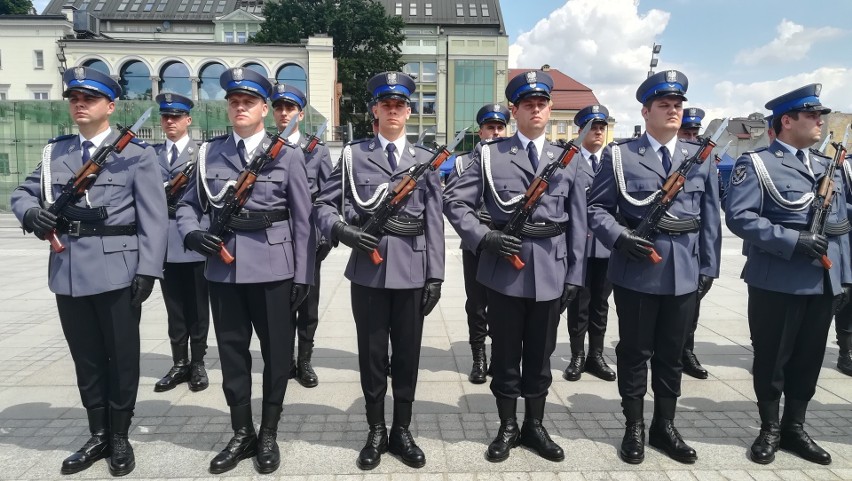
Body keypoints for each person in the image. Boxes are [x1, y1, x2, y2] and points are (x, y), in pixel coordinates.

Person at [11, 66, 168, 476]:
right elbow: (23, 193)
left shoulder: (136, 154)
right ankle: (97, 433)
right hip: (67, 270)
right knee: (87, 359)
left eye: (90, 98)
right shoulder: (55, 153)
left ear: (110, 106)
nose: (80, 104)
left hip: (118, 270)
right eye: (74, 97)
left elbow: (155, 217)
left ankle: (119, 436)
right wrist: (32, 215)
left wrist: (149, 270)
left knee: (122, 357)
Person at [175, 67, 314, 475]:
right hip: (224, 270)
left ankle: (268, 431)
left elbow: (303, 220)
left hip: (274, 270)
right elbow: (187, 205)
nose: (240, 107)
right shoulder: (207, 154)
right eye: (234, 101)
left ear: (265, 108)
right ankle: (241, 431)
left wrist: (303, 276)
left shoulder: (286, 155)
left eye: (249, 101)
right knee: (233, 356)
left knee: (275, 356)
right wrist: (192, 234)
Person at [443, 70, 585, 463]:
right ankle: (507, 426)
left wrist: (575, 274)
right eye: (527, 104)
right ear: (515, 110)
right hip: (505, 270)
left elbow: (578, 220)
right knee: (505, 354)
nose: (535, 109)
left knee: (540, 355)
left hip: (552, 272)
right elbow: (455, 202)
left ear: (550, 108)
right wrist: (484, 237)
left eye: (541, 103)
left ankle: (535, 426)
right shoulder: (489, 154)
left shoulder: (566, 158)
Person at [587, 70, 721, 465]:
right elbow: (596, 209)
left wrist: (709, 267)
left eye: (677, 104)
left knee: (671, 354)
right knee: (634, 352)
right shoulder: (621, 155)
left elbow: (710, 215)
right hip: (637, 271)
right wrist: (619, 237)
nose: (673, 110)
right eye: (664, 104)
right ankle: (634, 427)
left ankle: (665, 426)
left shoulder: (699, 158)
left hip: (684, 272)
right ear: (646, 111)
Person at [314, 71, 444, 470]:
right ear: (375, 110)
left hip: (411, 269)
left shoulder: (424, 160)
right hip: (367, 274)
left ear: (408, 112)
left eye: (399, 105)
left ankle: (402, 430)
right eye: (385, 104)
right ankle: (375, 429)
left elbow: (435, 220)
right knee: (372, 356)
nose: (393, 110)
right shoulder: (353, 155)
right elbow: (323, 204)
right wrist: (343, 231)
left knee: (406, 356)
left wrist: (435, 274)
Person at [725, 84, 851, 466]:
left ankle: (795, 426)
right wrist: (790, 241)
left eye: (820, 115)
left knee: (809, 358)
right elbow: (740, 217)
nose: (820, 121)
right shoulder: (758, 163)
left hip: (823, 281)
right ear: (787, 120)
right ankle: (770, 429)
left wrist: (845, 277)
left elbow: (842, 225)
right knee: (772, 357)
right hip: (777, 279)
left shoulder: (829, 166)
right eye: (812, 115)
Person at [270, 82, 333, 388]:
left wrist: (326, 236)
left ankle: (305, 359)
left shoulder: (317, 151)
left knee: (308, 302)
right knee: (279, 303)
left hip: (308, 239)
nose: (284, 113)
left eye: (290, 108)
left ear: (300, 113)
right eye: (279, 108)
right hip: (275, 239)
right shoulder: (265, 150)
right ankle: (285, 360)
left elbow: (329, 197)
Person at [445, 103, 510, 384]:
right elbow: (456, 203)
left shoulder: (509, 159)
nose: (494, 132)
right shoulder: (462, 163)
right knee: (476, 303)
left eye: (499, 127)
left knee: (502, 303)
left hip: (505, 242)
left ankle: (498, 355)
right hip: (476, 243)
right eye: (489, 127)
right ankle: (478, 357)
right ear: (480, 131)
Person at [152, 92, 211, 394]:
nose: (170, 121)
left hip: (194, 237)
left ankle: (198, 363)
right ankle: (179, 363)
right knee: (174, 307)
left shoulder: (201, 154)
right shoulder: (151, 154)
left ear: (188, 120)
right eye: (166, 117)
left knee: (199, 307)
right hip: (163, 240)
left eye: (176, 116)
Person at [563, 104, 616, 383]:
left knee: (600, 303)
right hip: (578, 247)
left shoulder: (614, 161)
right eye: (592, 127)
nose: (597, 131)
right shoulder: (569, 161)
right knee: (578, 302)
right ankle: (577, 355)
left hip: (605, 246)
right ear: (580, 130)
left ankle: (596, 354)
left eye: (601, 127)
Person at [676, 107, 711, 380]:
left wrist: (710, 265)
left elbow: (711, 220)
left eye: (694, 133)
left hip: (691, 254)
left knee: (691, 311)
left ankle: (687, 351)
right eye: (685, 132)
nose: (690, 137)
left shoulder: (705, 163)